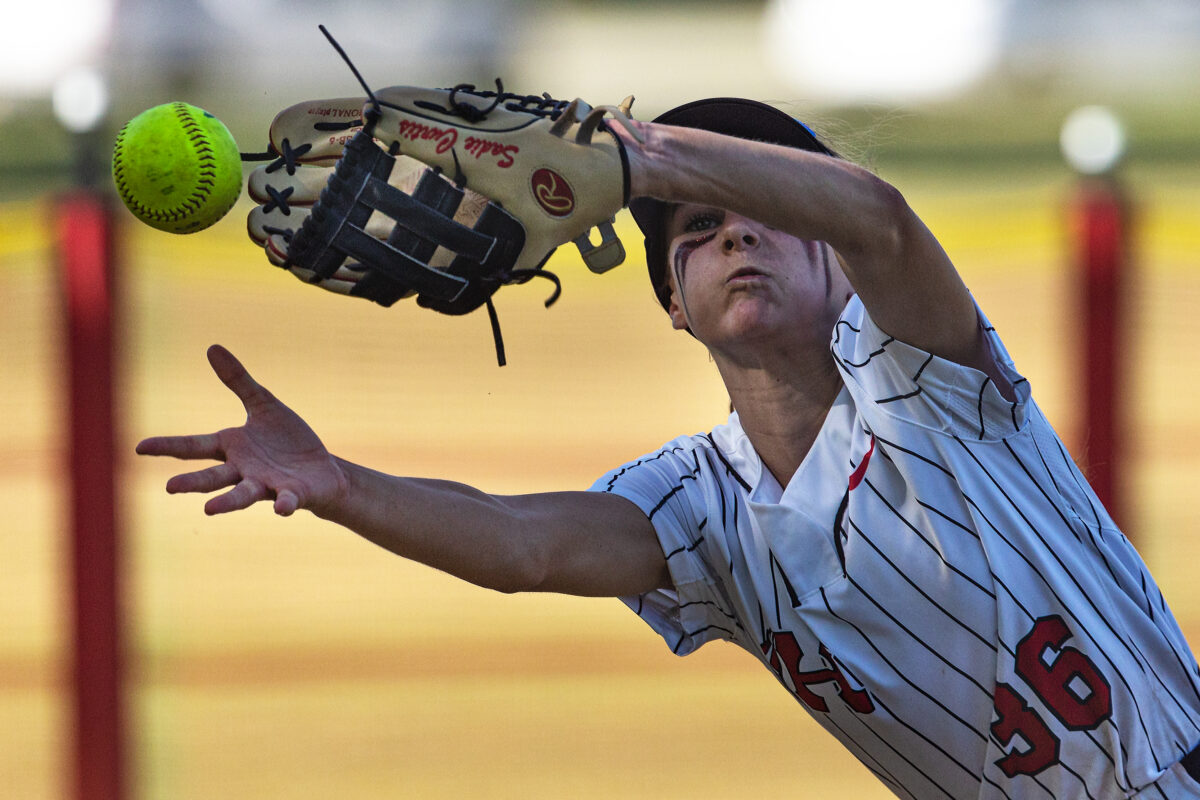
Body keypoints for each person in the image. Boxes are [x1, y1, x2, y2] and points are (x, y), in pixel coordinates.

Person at [137, 96, 1200, 799]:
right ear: (676, 307)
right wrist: (339, 485)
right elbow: (521, 544)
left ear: (837, 264)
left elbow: (877, 216)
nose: (731, 231)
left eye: (761, 213)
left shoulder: (926, 380)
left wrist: (637, 156)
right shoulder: (702, 505)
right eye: (692, 229)